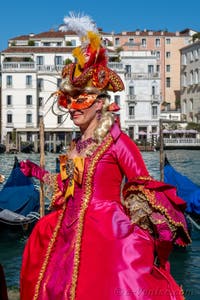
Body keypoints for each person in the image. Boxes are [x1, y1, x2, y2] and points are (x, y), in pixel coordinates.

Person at [20, 13, 191, 300]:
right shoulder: (75, 144)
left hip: (108, 234)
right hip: (68, 230)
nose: (73, 108)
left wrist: (151, 226)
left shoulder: (118, 142)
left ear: (99, 103)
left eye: (81, 99)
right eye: (67, 100)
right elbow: (67, 190)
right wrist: (38, 173)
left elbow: (141, 184)